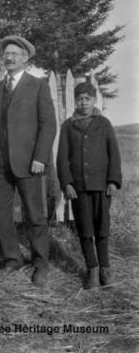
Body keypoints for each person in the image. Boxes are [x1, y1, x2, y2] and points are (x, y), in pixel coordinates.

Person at [0, 35, 56, 286]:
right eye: (6, 54)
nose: (9, 58)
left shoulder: (38, 86)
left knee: (34, 215)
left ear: (25, 58)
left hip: (28, 163)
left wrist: (40, 158)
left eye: (15, 54)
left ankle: (40, 263)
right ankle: (12, 258)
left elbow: (48, 125)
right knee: (0, 215)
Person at [57, 82, 122, 289]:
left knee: (102, 229)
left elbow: (114, 154)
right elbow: (62, 158)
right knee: (85, 230)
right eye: (79, 99)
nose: (83, 102)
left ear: (94, 100)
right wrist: (67, 183)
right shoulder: (68, 126)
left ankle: (105, 269)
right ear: (74, 101)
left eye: (87, 98)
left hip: (102, 186)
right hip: (79, 189)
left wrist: (113, 180)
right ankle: (92, 270)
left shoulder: (104, 123)